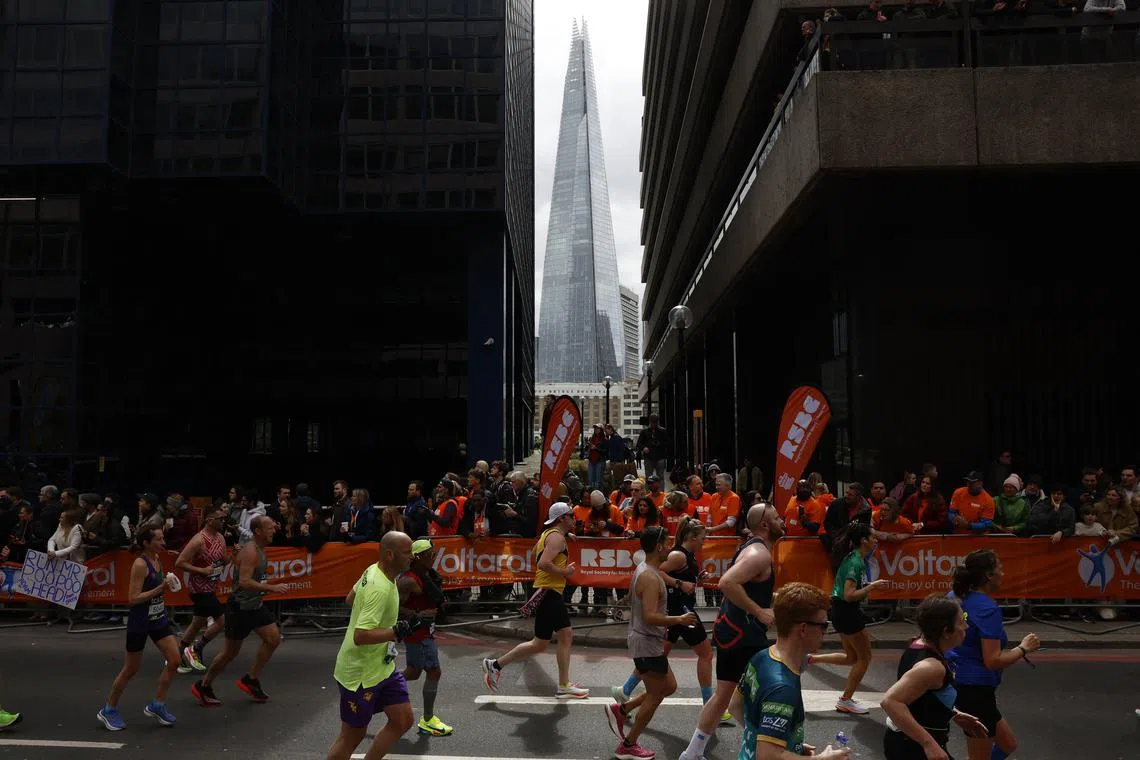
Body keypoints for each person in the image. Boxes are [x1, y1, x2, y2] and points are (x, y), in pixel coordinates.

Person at [678, 503, 782, 760]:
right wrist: (759, 612)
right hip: (742, 634)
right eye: (777, 518)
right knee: (770, 691)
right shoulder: (759, 554)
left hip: (734, 631)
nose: (783, 521)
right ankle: (767, 748)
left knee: (728, 695)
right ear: (765, 525)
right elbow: (727, 583)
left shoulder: (754, 549)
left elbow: (747, 587)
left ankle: (693, 753)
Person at [326, 532, 423, 760]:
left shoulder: (374, 570)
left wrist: (398, 619)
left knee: (403, 719)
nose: (413, 557)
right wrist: (395, 631)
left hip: (382, 667)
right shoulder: (378, 587)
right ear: (390, 555)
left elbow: (351, 599)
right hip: (360, 675)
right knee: (352, 737)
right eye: (407, 552)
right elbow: (360, 636)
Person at [604, 526, 698, 759]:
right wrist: (680, 619)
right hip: (645, 642)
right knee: (656, 695)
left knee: (669, 687)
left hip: (649, 642)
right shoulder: (649, 576)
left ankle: (623, 708)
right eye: (666, 542)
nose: (669, 547)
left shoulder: (648, 570)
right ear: (658, 546)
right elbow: (649, 615)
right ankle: (628, 744)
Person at [728, 582, 849, 760]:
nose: (826, 631)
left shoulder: (762, 657)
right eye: (823, 625)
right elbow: (768, 756)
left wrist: (788, 744)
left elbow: (735, 707)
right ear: (803, 629)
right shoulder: (783, 688)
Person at [481, 503, 588, 698]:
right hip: (549, 592)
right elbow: (543, 563)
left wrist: (563, 540)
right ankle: (563, 685)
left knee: (543, 642)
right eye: (571, 515)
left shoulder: (551, 535)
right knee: (559, 637)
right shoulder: (555, 537)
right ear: (561, 518)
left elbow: (534, 553)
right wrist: (565, 571)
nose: (574, 518)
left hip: (547, 591)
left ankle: (495, 665)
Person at [946, 550, 1039, 760]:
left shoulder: (954, 597)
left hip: (959, 684)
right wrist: (1023, 648)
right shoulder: (987, 609)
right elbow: (993, 660)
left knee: (1008, 744)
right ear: (988, 575)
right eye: (1000, 569)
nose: (1003, 573)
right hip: (974, 691)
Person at [612, 516, 713, 709]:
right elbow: (657, 572)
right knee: (706, 654)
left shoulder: (687, 556)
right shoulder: (679, 555)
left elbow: (681, 581)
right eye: (702, 537)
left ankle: (624, 692)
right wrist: (679, 583)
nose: (704, 541)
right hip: (679, 612)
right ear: (692, 537)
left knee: (656, 658)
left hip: (676, 613)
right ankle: (709, 703)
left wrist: (695, 581)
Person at [191, 516, 288, 705]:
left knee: (273, 638)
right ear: (258, 531)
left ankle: (251, 680)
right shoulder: (251, 551)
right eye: (270, 528)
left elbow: (239, 568)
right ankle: (203, 685)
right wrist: (271, 588)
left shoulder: (259, 549)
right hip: (240, 609)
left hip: (255, 606)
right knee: (229, 653)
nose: (274, 530)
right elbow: (244, 582)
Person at [880, 594, 987, 760]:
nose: (966, 626)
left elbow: (921, 699)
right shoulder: (932, 667)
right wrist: (929, 744)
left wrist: (952, 714)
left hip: (908, 743)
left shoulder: (918, 645)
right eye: (961, 621)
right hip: (912, 748)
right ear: (946, 631)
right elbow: (890, 702)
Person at [97, 526, 180, 730]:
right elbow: (133, 599)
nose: (163, 543)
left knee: (175, 660)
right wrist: (160, 588)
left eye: (163, 539)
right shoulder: (140, 564)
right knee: (131, 668)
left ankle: (157, 705)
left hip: (158, 618)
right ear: (146, 543)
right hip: (140, 621)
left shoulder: (157, 560)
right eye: (159, 540)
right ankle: (108, 710)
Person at [808, 521, 889, 714]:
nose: (875, 539)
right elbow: (849, 595)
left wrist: (868, 584)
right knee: (865, 658)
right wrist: (872, 586)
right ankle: (845, 699)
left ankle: (811, 659)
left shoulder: (851, 557)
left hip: (840, 610)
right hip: (847, 611)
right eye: (872, 537)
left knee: (851, 657)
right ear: (863, 540)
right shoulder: (856, 562)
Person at [398, 539, 453, 736]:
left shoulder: (426, 574)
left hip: (425, 631)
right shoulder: (409, 580)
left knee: (413, 672)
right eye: (430, 554)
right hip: (418, 633)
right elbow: (392, 606)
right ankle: (428, 720)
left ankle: (380, 688)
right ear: (418, 557)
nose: (434, 557)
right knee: (434, 672)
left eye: (434, 553)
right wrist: (416, 615)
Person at [174, 505, 229, 673]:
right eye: (220, 519)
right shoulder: (198, 540)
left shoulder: (220, 537)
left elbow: (223, 560)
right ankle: (197, 647)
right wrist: (201, 570)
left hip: (211, 586)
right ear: (209, 520)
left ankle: (176, 656)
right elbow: (180, 562)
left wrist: (232, 557)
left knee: (197, 623)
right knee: (222, 621)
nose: (223, 521)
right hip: (199, 589)